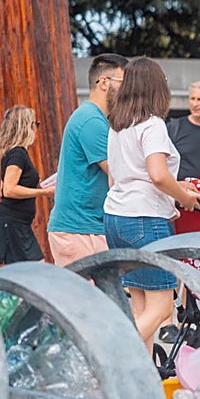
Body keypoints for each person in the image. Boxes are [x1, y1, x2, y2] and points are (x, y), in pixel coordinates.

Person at [104, 57, 200, 346]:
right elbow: (158, 175)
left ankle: (141, 388)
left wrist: (174, 185)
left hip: (116, 217)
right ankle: (107, 358)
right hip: (145, 220)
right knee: (161, 310)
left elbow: (122, 176)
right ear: (156, 87)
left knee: (140, 309)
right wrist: (184, 197)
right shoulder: (153, 124)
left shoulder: (117, 125)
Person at [47, 54, 129, 266]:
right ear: (104, 82)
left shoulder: (94, 118)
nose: (129, 90)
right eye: (124, 82)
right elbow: (118, 173)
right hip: (79, 230)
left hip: (86, 228)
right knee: (82, 299)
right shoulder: (91, 120)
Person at [0, 106, 54, 266]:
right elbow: (8, 190)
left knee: (22, 274)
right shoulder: (17, 154)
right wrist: (44, 192)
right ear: (26, 126)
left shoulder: (14, 153)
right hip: (12, 224)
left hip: (17, 224)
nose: (36, 129)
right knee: (33, 270)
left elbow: (4, 187)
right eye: (35, 124)